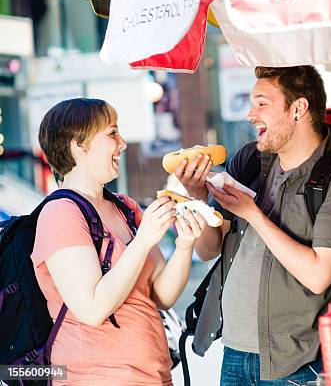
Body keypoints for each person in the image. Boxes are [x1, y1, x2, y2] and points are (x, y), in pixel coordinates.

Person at [175, 66, 331, 384]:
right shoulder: (249, 161)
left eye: (262, 103)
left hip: (300, 363)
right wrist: (198, 197)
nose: (251, 115)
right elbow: (208, 249)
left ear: (298, 108)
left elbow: (318, 275)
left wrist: (254, 214)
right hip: (234, 353)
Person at [32, 98, 207, 385]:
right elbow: (92, 308)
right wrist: (143, 241)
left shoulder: (124, 207)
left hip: (154, 377)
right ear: (79, 145)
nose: (122, 143)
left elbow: (162, 296)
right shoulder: (61, 213)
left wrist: (185, 245)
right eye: (112, 133)